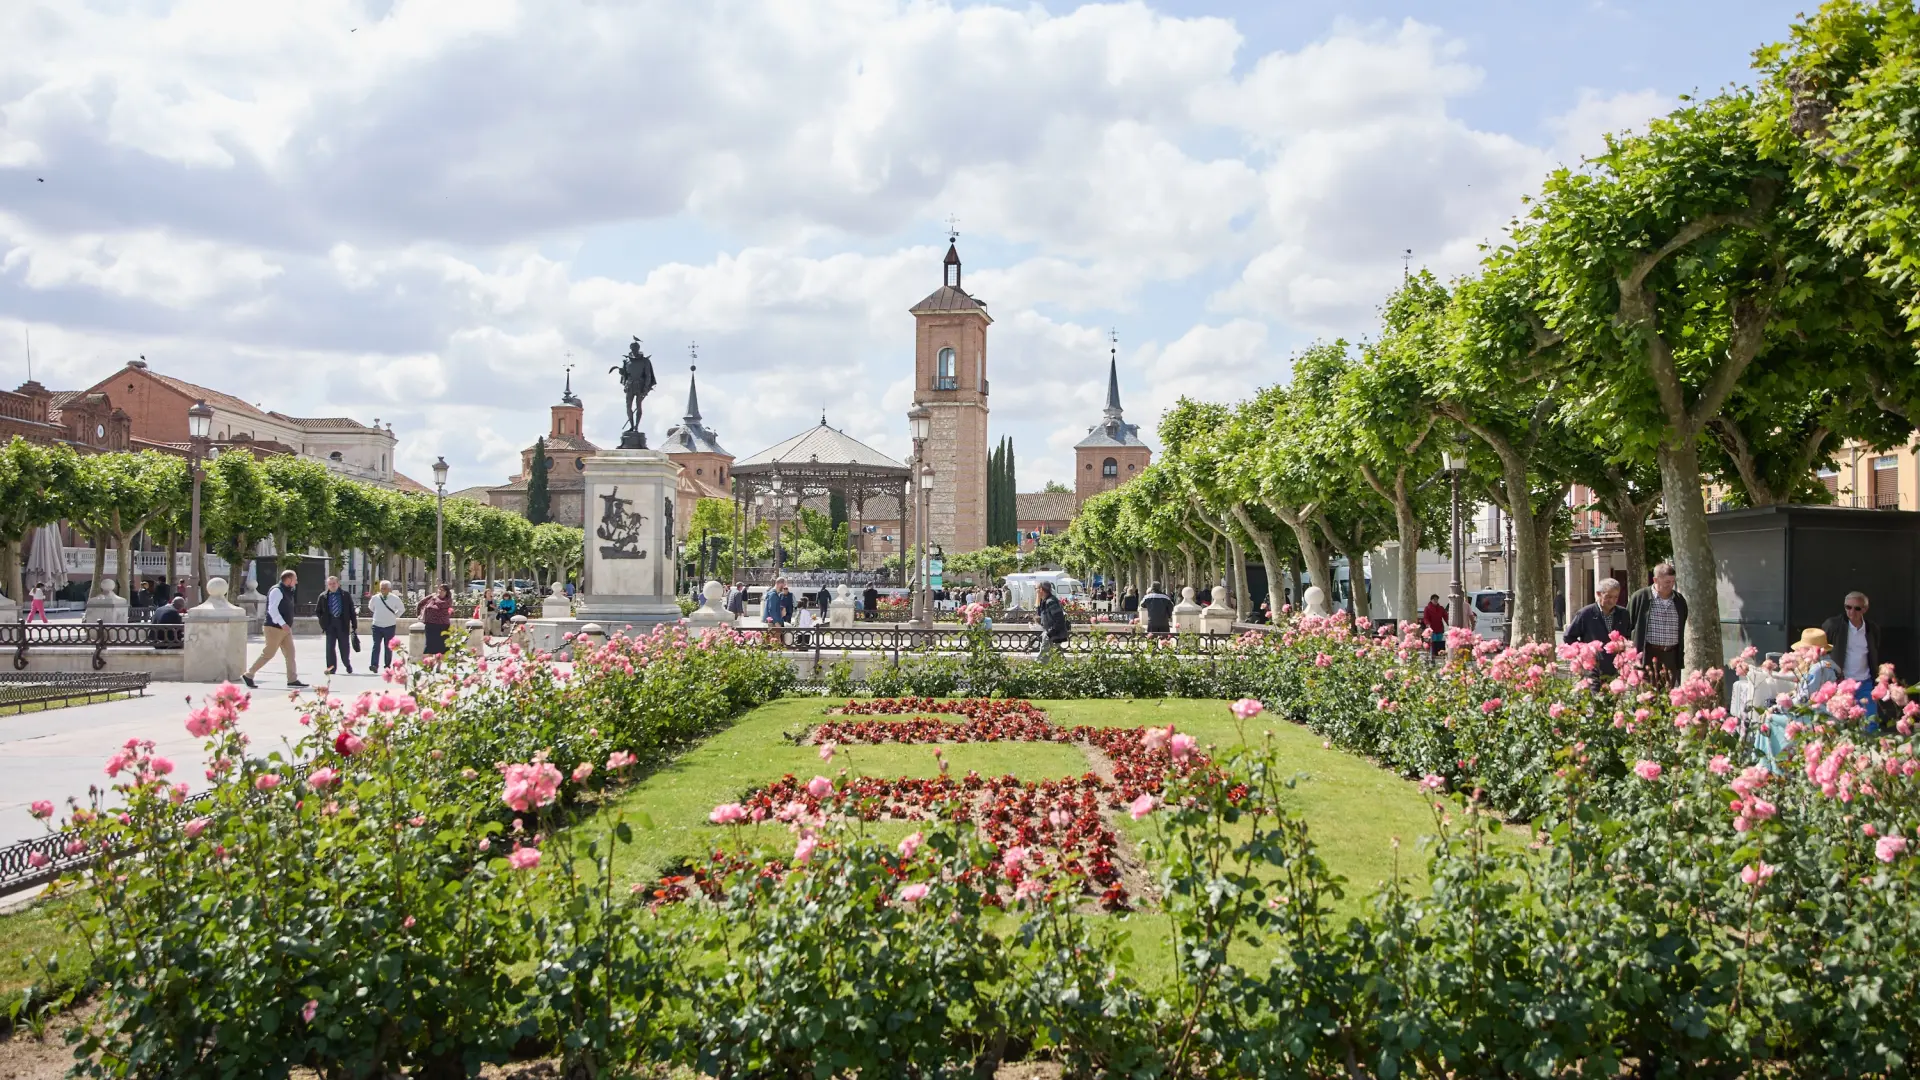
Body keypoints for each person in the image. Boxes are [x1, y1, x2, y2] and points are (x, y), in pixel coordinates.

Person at [1821, 591, 1883, 716]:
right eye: (1848, 607)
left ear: (1865, 609)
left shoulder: (1872, 629)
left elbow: (1874, 651)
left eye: (1857, 608)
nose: (1851, 612)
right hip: (1841, 682)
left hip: (1865, 682)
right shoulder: (1834, 625)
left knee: (1870, 722)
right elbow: (1822, 649)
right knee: (1841, 722)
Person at [243, 569, 305, 689]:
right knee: (268, 653)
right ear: (289, 580)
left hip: (285, 628)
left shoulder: (287, 591)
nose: (296, 582)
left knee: (290, 653)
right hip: (274, 628)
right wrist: (282, 623)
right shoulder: (277, 590)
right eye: (295, 579)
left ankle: (292, 679)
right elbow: (272, 610)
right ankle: (249, 674)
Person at [1628, 562, 1687, 688]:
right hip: (1647, 655)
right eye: (1667, 582)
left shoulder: (1679, 600)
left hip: (1671, 655)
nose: (1670, 585)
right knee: (1646, 696)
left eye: (1672, 581)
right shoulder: (1640, 597)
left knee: (1667, 698)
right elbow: (1628, 625)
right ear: (1655, 579)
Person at [1563, 578, 1633, 678]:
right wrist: (1585, 651)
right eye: (1608, 597)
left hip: (1616, 668)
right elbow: (1568, 637)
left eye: (1615, 597)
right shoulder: (1585, 613)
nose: (1612, 601)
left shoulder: (1623, 614)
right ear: (1599, 594)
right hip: (1592, 668)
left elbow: (1627, 636)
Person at [316, 574, 358, 677]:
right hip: (330, 624)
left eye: (334, 583)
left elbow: (352, 611)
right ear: (327, 585)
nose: (332, 585)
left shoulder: (345, 595)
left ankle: (347, 664)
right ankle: (331, 668)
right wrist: (323, 623)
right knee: (330, 647)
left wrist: (354, 624)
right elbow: (318, 611)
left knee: (344, 647)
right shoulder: (323, 596)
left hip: (342, 623)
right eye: (330, 584)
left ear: (338, 584)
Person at [368, 579, 405, 672]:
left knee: (388, 646)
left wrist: (395, 616)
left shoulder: (395, 598)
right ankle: (374, 665)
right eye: (381, 588)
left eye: (384, 588)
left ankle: (387, 665)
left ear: (389, 589)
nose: (382, 590)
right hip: (377, 625)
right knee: (376, 645)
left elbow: (402, 609)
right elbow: (371, 607)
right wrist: (378, 613)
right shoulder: (375, 598)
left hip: (390, 625)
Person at [1035, 581, 1070, 658]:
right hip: (1052, 634)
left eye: (1036, 589)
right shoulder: (1045, 601)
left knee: (1042, 658)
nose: (1035, 591)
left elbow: (1059, 619)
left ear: (1041, 590)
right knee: (1058, 659)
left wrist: (1050, 633)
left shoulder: (1051, 601)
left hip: (1052, 635)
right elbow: (1039, 614)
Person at [419, 583, 454, 657]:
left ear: (447, 592)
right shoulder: (432, 597)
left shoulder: (448, 600)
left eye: (443, 590)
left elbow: (440, 607)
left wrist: (432, 604)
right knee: (430, 646)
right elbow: (420, 603)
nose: (440, 591)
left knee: (442, 647)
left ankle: (439, 664)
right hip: (430, 625)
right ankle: (430, 664)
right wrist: (419, 614)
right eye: (439, 589)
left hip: (443, 625)